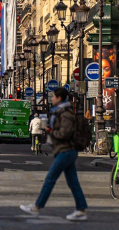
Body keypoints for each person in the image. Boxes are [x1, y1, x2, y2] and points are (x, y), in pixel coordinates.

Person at [20, 88, 88, 221]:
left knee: (50, 178)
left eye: (53, 97)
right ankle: (81, 209)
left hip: (66, 150)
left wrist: (51, 131)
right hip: (65, 150)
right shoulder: (60, 112)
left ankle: (37, 206)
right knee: (73, 182)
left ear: (59, 98)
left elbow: (64, 133)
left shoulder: (65, 114)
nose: (51, 99)